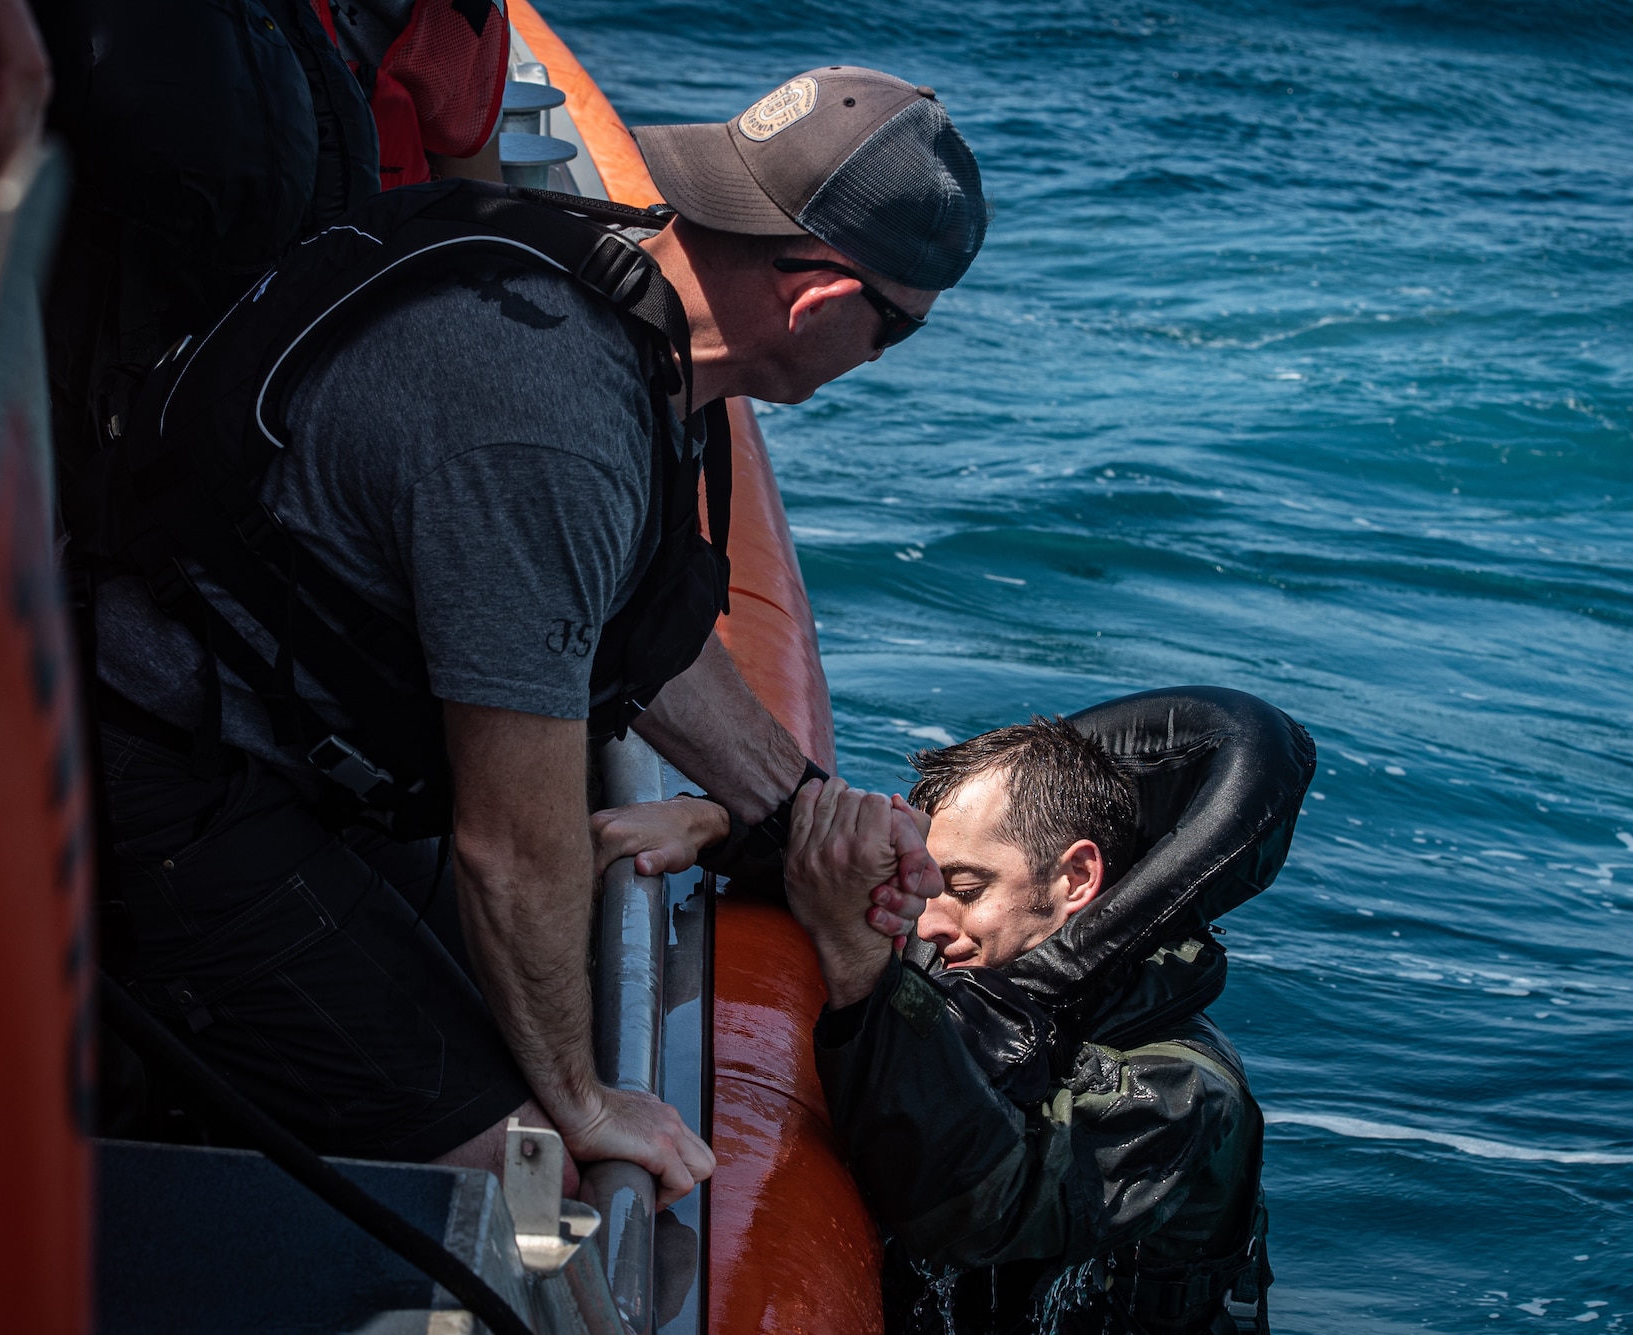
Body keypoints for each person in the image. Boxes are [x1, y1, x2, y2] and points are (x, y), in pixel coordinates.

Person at [82, 66, 983, 1203]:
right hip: (169, 784)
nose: (879, 356)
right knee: (540, 1182)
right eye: (895, 332)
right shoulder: (548, 439)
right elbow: (511, 845)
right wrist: (582, 1099)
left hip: (248, 729)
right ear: (820, 306)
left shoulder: (588, 284)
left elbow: (614, 624)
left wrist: (795, 810)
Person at [597, 690, 1315, 1331]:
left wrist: (856, 956)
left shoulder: (1182, 1092)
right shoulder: (987, 949)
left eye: (966, 887)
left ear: (1076, 877)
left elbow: (984, 1210)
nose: (932, 926)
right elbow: (859, 879)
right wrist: (715, 824)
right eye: (928, 886)